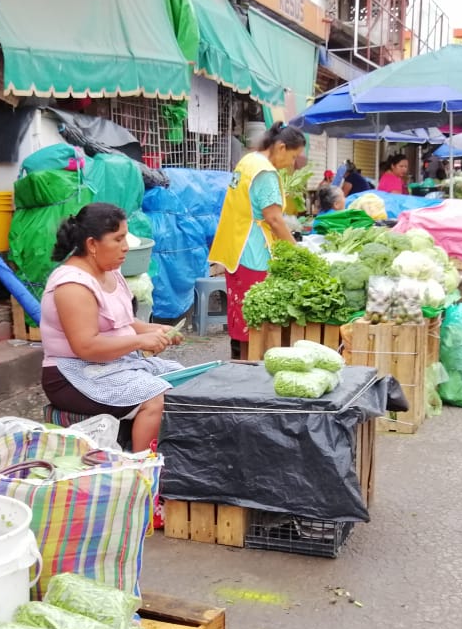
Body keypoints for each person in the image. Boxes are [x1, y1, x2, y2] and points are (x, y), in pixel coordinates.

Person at [39, 203, 181, 452]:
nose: (126, 246)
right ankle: (142, 470)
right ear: (92, 244)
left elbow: (125, 325)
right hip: (73, 376)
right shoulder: (72, 285)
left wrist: (154, 331)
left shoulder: (110, 273)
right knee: (155, 397)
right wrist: (139, 342)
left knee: (182, 378)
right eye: (117, 239)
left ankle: (175, 461)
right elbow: (86, 346)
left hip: (115, 364)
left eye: (125, 237)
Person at [209, 122, 307, 359]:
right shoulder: (265, 172)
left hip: (235, 248)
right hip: (254, 251)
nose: (292, 164)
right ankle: (250, 368)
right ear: (281, 147)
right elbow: (273, 219)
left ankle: (242, 366)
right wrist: (297, 253)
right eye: (294, 157)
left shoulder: (248, 161)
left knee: (242, 316)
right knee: (255, 319)